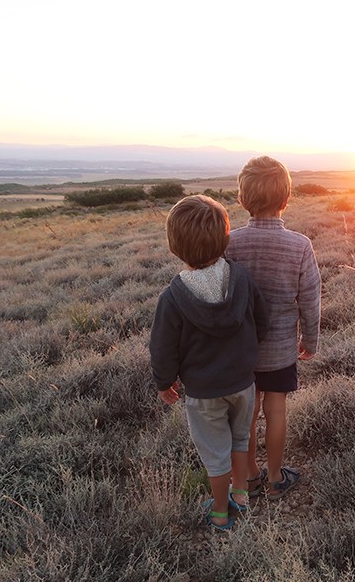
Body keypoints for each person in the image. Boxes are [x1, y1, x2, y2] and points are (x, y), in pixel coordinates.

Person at [150, 194, 269, 530]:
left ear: (174, 247)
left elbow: (162, 349)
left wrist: (164, 382)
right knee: (240, 438)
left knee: (215, 451)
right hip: (244, 383)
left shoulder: (173, 299)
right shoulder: (241, 280)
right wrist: (247, 353)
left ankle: (219, 511)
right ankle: (241, 496)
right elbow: (262, 321)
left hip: (203, 392)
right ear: (226, 240)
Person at [225, 155, 321, 500]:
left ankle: (250, 476)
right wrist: (310, 341)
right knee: (276, 410)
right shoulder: (300, 246)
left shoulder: (229, 243)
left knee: (247, 415)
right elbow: (310, 301)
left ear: (242, 198)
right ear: (286, 198)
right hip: (281, 349)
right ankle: (276, 477)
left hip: (240, 352)